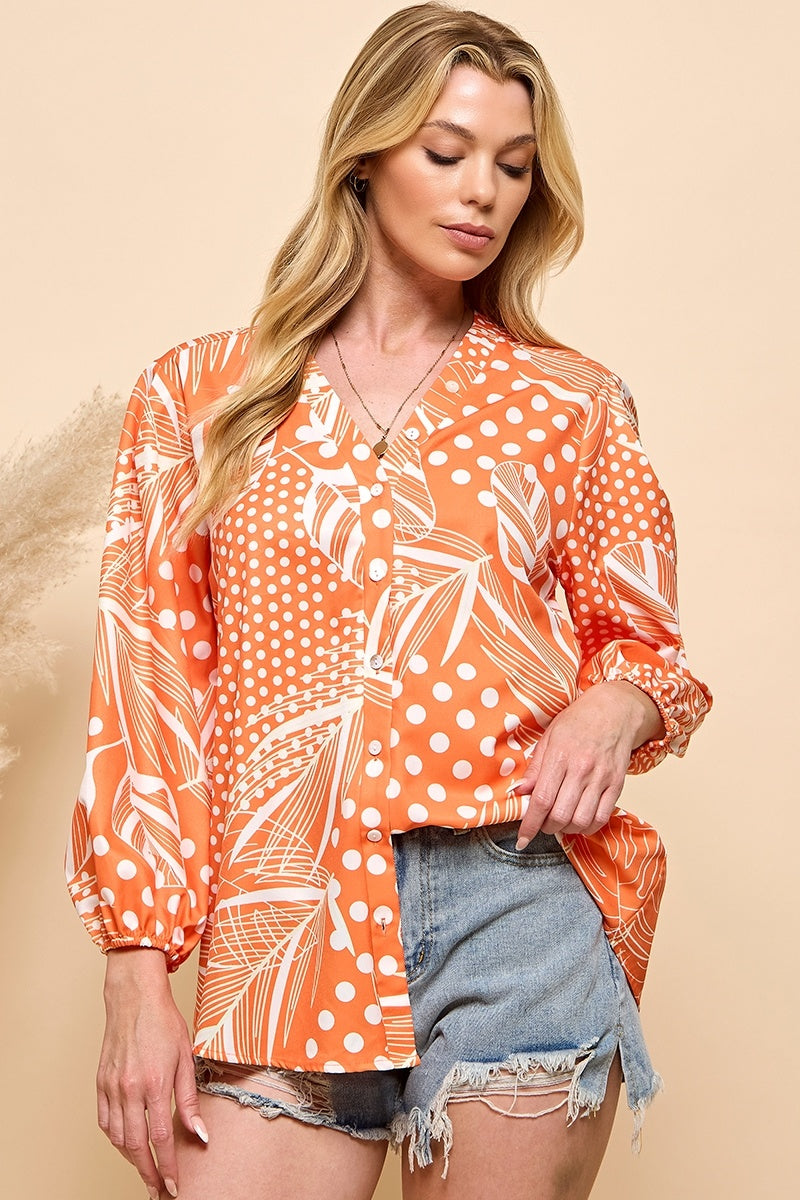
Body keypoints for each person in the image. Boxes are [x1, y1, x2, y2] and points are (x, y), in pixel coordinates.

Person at [65, 4, 712, 1198]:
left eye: (512, 167)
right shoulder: (202, 395)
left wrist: (611, 706)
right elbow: (149, 695)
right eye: (445, 151)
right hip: (285, 917)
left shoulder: (568, 403)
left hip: (514, 904)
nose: (481, 194)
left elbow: (646, 651)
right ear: (363, 157)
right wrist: (134, 973)